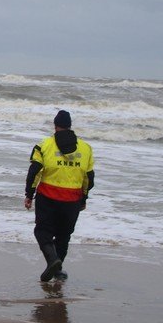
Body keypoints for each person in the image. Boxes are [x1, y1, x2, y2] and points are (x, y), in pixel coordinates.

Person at [24, 110, 95, 282]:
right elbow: (89, 178)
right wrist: (84, 199)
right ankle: (58, 270)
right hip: (72, 200)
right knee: (64, 236)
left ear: (55, 126)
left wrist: (29, 194)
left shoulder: (44, 145)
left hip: (48, 197)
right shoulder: (86, 148)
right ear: (70, 125)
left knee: (42, 231)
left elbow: (34, 171)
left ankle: (52, 260)